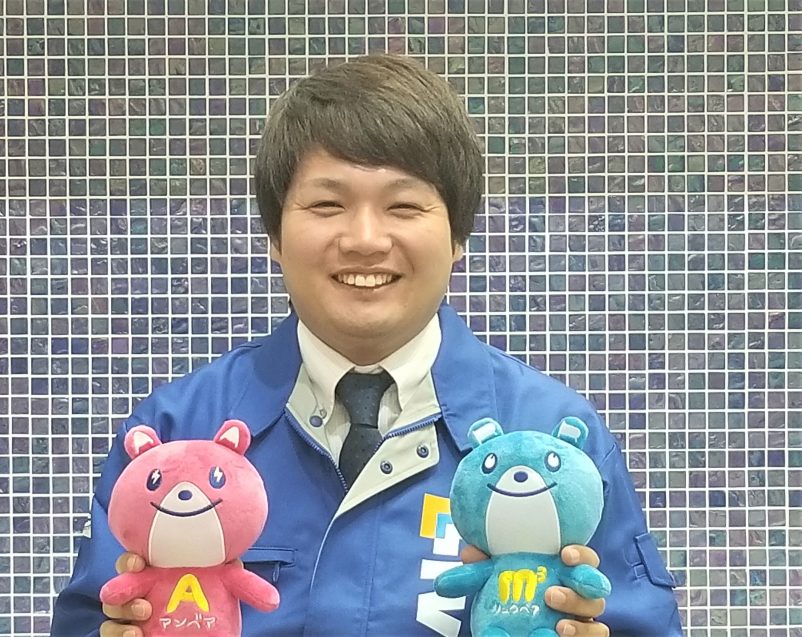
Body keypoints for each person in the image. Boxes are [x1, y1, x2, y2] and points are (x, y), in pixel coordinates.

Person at [50, 54, 682, 637]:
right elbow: (90, 618)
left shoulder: (549, 435)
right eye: (328, 204)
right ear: (274, 235)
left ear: (458, 236)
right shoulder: (178, 432)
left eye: (403, 206)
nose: (365, 240)